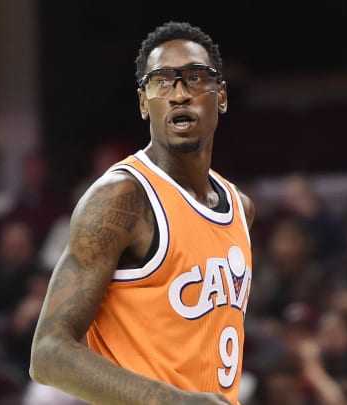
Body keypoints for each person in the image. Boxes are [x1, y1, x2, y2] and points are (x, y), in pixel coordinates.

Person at [30, 22, 254, 404]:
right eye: (162, 81)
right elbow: (47, 354)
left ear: (221, 96)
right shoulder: (121, 197)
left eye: (195, 78)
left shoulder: (240, 208)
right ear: (142, 102)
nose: (179, 94)